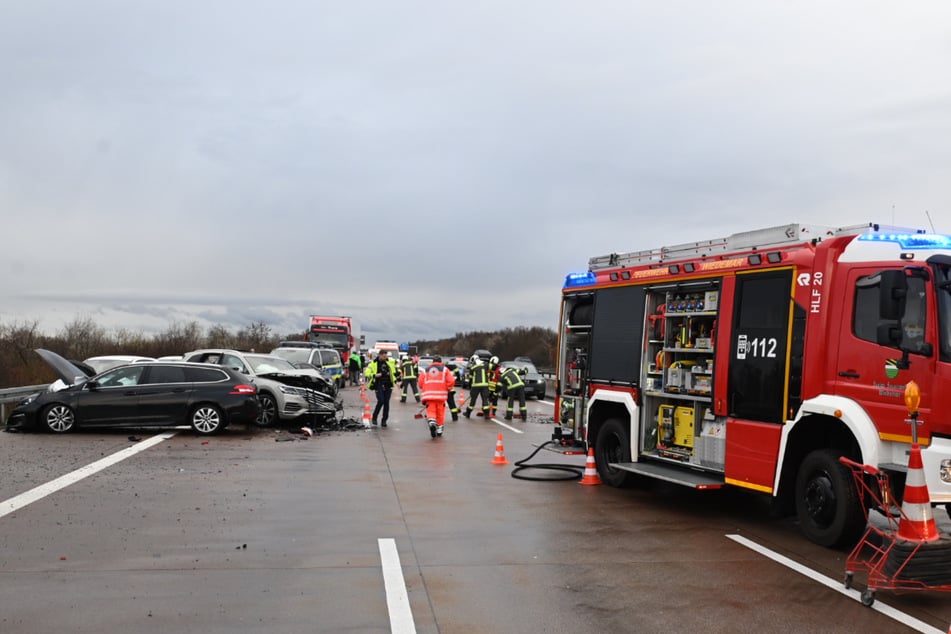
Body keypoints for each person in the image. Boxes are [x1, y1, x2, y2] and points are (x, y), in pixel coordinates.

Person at [418, 355, 455, 438]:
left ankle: (432, 423)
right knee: (440, 413)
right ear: (440, 362)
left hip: (429, 396)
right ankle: (439, 429)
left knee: (431, 411)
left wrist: (424, 387)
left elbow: (420, 382)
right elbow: (451, 381)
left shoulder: (425, 370)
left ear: (433, 362)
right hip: (441, 396)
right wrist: (448, 388)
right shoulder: (445, 370)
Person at [365, 350, 399, 427]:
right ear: (379, 355)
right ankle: (374, 417)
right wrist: (375, 375)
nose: (385, 357)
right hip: (378, 384)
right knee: (381, 401)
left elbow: (394, 372)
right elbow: (367, 373)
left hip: (388, 385)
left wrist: (397, 381)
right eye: (384, 356)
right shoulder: (373, 363)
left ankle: (384, 420)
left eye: (386, 356)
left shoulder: (389, 362)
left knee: (386, 403)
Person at [464, 354, 491, 419]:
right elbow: (489, 372)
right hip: (485, 385)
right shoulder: (486, 364)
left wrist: (470, 388)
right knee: (485, 400)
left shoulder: (472, 368)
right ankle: (487, 415)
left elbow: (470, 379)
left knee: (473, 400)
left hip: (475, 386)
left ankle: (468, 413)